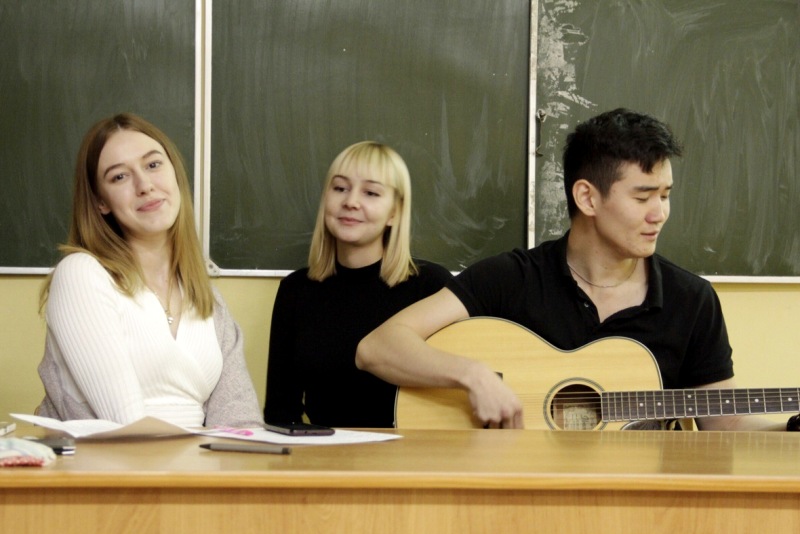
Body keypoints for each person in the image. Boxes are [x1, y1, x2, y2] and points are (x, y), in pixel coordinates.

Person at [357, 108, 788, 431]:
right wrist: (473, 376)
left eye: (666, 195)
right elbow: (377, 347)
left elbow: (724, 421)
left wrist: (788, 428)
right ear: (587, 198)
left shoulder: (691, 300)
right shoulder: (509, 278)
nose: (660, 213)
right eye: (643, 198)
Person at [36, 113, 263, 428]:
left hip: (196, 460)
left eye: (153, 165)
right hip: (109, 460)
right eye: (119, 177)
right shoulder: (81, 274)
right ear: (101, 202)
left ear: (175, 174)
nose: (144, 185)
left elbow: (242, 426)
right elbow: (127, 427)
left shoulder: (207, 299)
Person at [264, 141, 452, 428]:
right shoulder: (296, 290)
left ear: (394, 213)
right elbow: (280, 410)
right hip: (325, 452)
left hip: (412, 452)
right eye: (340, 188)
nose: (351, 201)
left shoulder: (431, 287)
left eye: (371, 192)